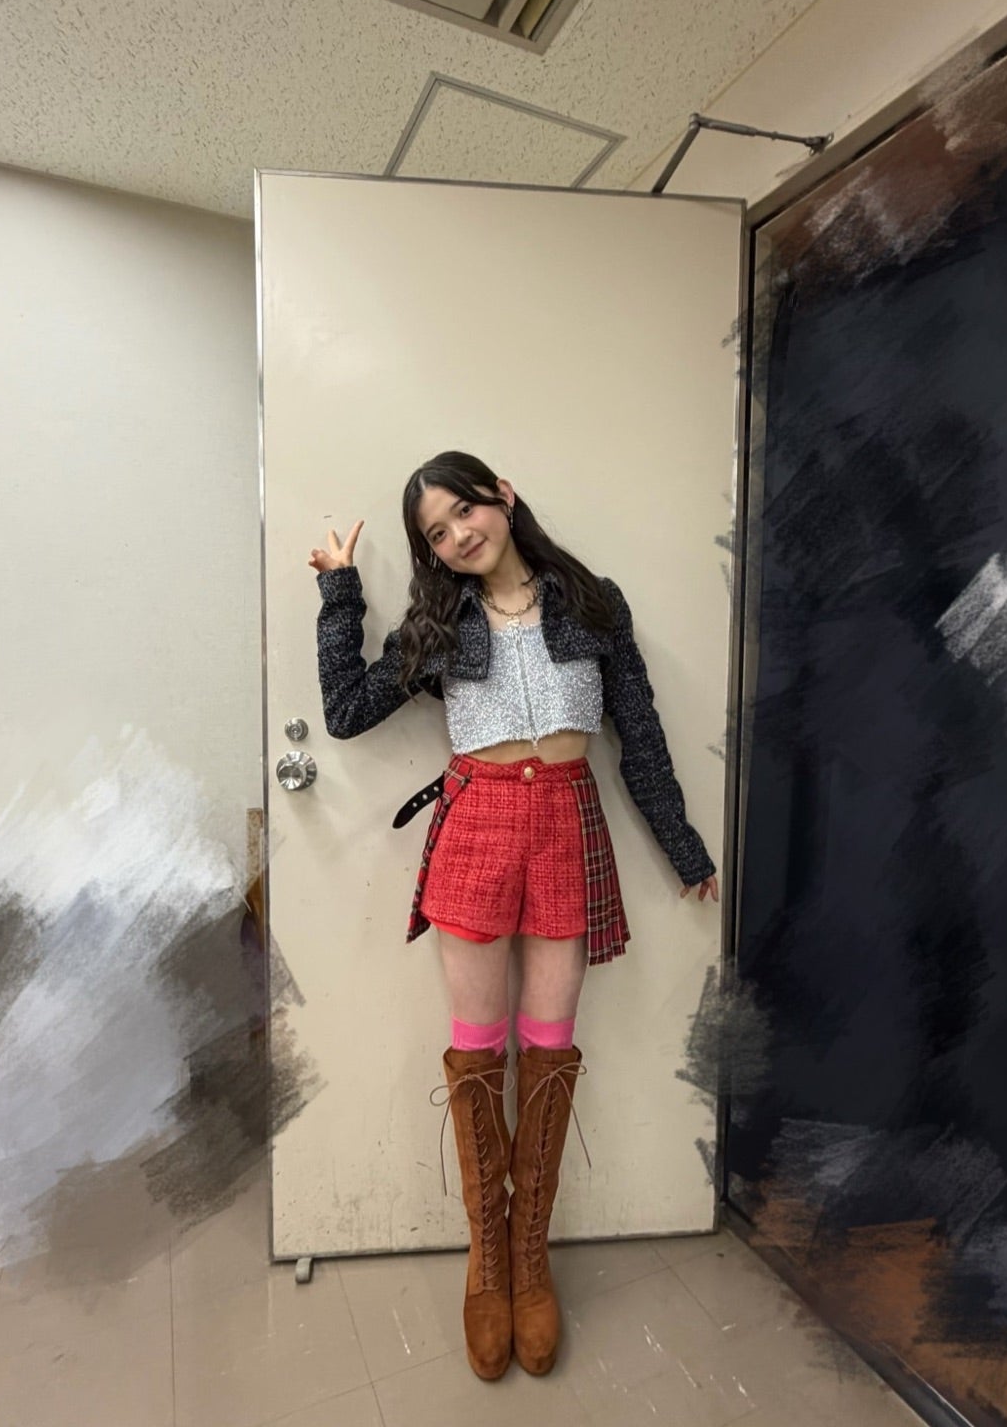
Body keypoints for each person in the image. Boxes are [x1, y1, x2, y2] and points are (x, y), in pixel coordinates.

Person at [308, 450, 718, 1381]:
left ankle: (531, 1257)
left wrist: (684, 848)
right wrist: (340, 596)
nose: (459, 536)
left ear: (502, 496)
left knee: (549, 1052)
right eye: (436, 533)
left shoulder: (593, 603)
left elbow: (640, 734)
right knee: (477, 1052)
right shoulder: (438, 624)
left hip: (568, 822)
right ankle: (487, 1262)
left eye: (465, 510)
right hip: (476, 826)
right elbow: (345, 711)